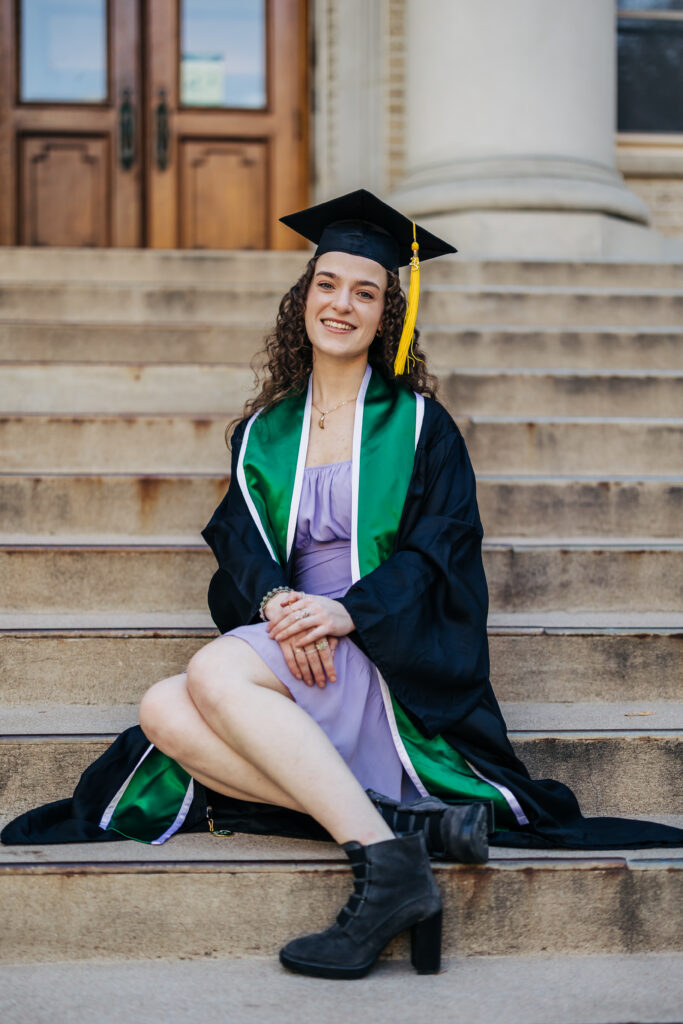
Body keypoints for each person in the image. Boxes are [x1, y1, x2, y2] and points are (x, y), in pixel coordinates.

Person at [3, 189, 682, 981]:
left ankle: (384, 862)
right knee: (161, 708)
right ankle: (397, 837)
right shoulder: (264, 431)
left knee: (211, 672)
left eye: (365, 292)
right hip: (293, 641)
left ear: (387, 312)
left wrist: (345, 613)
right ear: (304, 298)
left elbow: (442, 550)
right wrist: (279, 605)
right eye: (328, 284)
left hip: (381, 654)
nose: (342, 303)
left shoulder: (420, 424)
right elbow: (242, 546)